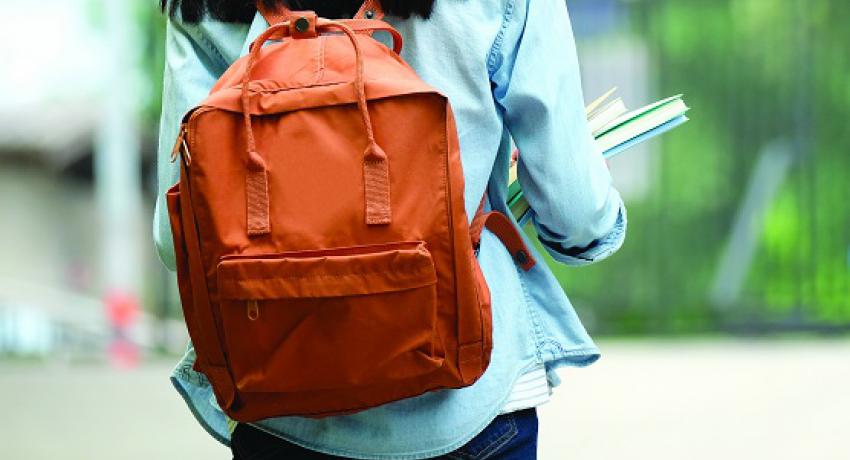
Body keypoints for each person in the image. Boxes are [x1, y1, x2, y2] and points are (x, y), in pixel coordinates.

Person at [154, 0, 627, 458]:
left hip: (280, 410)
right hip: (471, 408)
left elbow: (178, 241)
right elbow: (575, 210)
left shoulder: (197, 6)